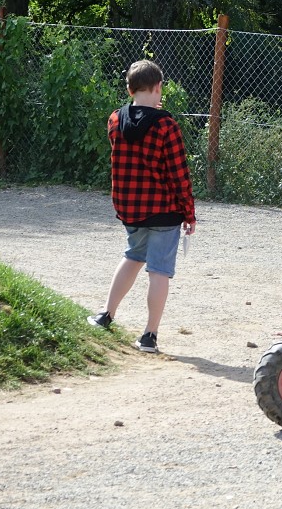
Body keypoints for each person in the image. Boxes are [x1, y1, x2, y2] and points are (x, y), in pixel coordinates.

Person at [87, 60, 196, 354]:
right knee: (159, 270)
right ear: (159, 87)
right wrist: (189, 212)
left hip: (130, 207)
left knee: (132, 256)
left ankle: (106, 314)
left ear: (129, 88)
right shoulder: (166, 125)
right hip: (163, 210)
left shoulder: (114, 120)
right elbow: (179, 173)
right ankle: (149, 335)